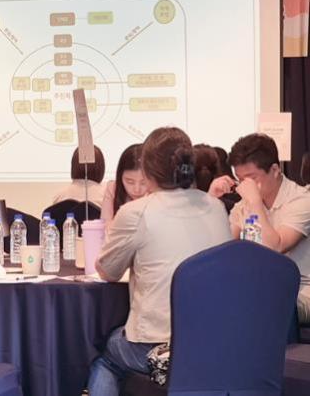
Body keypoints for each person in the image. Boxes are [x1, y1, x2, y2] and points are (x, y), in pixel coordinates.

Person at [87, 127, 231, 396]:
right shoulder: (215, 206)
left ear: (147, 169)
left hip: (158, 346)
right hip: (213, 342)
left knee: (101, 355)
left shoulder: (137, 212)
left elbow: (107, 271)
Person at [210, 133, 310, 323]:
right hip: (258, 287)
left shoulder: (302, 200)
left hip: (300, 291)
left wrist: (255, 203)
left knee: (258, 303)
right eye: (240, 179)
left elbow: (274, 248)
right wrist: (212, 202)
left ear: (275, 170)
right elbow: (221, 249)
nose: (245, 186)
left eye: (251, 178)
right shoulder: (244, 205)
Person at [100, 144, 148, 227]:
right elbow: (105, 224)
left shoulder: (159, 193)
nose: (137, 189)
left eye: (143, 182)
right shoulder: (113, 188)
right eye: (130, 182)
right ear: (120, 176)